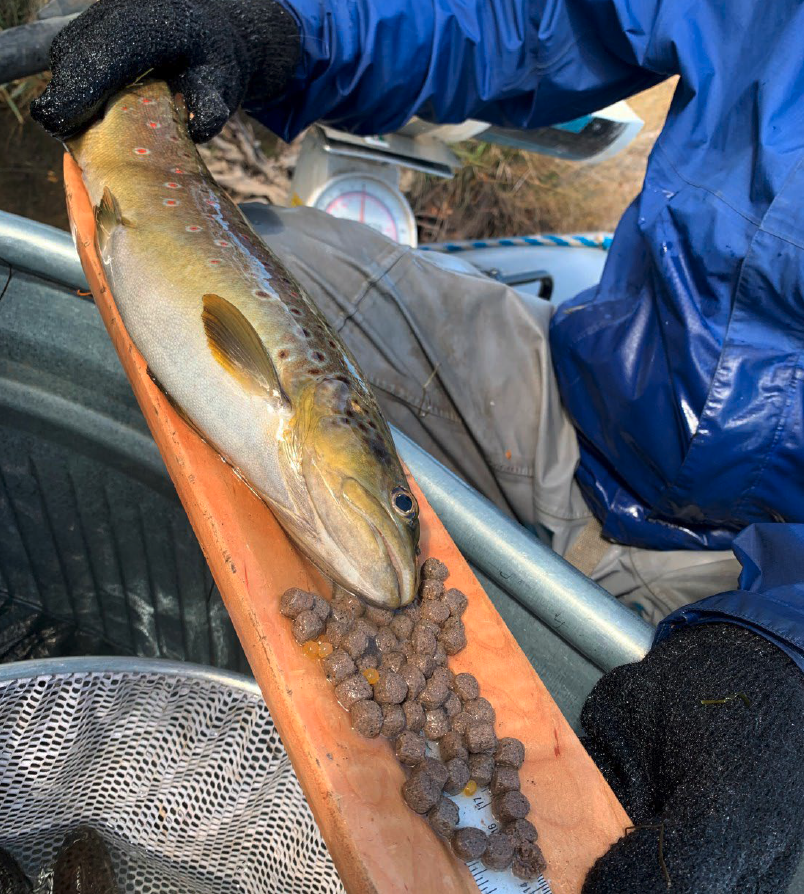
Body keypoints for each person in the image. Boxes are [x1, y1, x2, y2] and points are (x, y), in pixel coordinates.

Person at [30, 0, 804, 890]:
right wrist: (283, 30)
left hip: (753, 569)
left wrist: (782, 647)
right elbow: (534, 24)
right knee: (273, 251)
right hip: (578, 382)